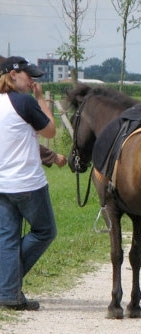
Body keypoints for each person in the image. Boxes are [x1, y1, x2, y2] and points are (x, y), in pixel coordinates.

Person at [0, 56, 57, 310]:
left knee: (8, 238)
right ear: (12, 75)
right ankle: (7, 285)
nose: (32, 80)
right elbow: (51, 131)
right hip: (28, 183)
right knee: (45, 231)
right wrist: (41, 99)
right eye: (27, 75)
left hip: (2, 184)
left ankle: (8, 291)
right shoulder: (24, 102)